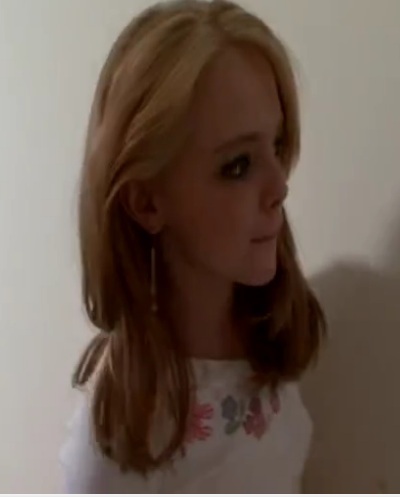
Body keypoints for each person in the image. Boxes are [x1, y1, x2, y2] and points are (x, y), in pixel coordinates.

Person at [60, 0, 326, 492]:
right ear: (146, 202)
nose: (280, 187)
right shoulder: (122, 434)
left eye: (277, 145)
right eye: (238, 165)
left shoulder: (270, 337)